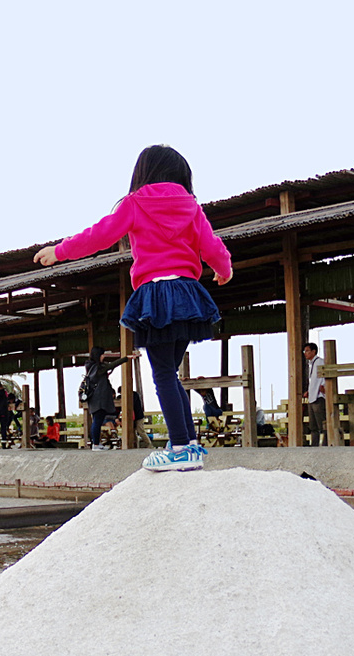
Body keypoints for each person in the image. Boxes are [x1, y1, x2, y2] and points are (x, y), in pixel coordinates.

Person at [36, 145, 232, 470]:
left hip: (156, 293)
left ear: (143, 172)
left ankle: (181, 448)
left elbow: (99, 235)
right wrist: (223, 269)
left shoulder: (135, 203)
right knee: (171, 373)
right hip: (186, 293)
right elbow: (210, 243)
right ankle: (191, 445)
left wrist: (60, 251)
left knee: (164, 374)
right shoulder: (190, 206)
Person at [80, 348, 135, 450]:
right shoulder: (98, 368)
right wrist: (126, 358)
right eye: (102, 355)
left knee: (97, 420)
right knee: (97, 421)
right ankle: (95, 444)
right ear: (98, 356)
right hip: (99, 400)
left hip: (93, 399)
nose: (103, 356)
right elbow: (111, 365)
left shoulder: (91, 367)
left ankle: (96, 443)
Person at [303, 342, 328, 447]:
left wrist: (323, 386)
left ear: (314, 351)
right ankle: (314, 444)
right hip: (312, 396)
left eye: (307, 351)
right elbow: (313, 381)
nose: (305, 353)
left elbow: (324, 376)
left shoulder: (320, 362)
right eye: (305, 351)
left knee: (322, 423)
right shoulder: (311, 364)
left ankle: (326, 443)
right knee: (313, 425)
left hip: (319, 396)